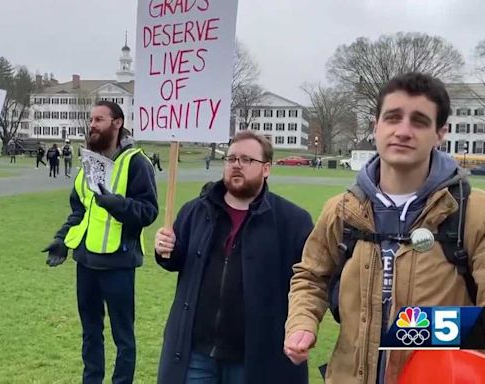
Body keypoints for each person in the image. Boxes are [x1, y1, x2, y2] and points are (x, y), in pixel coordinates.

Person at [284, 72, 485, 384]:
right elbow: (310, 276)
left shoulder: (474, 212)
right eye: (393, 117)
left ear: (440, 133)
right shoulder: (341, 210)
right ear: (375, 125)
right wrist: (302, 322)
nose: (403, 131)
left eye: (419, 121)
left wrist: (404, 329)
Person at [155, 130, 313, 384]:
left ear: (266, 169)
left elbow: (311, 282)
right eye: (231, 159)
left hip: (255, 358)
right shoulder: (196, 211)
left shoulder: (293, 221)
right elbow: (174, 260)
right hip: (196, 354)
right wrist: (165, 249)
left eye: (247, 160)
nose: (236, 165)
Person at [43, 100, 158, 384]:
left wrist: (116, 204)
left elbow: (148, 212)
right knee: (90, 332)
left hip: (119, 263)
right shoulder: (89, 162)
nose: (92, 125)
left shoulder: (137, 163)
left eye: (99, 119)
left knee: (123, 337)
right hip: (86, 262)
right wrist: (62, 239)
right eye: (91, 120)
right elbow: (80, 211)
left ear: (117, 123)